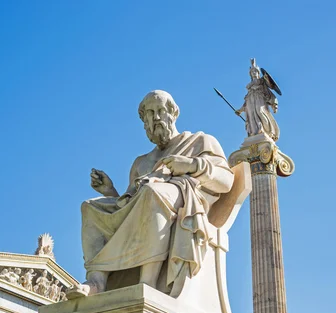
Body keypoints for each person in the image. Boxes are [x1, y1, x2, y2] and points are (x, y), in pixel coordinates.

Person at [71, 90, 233, 297]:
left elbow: (226, 180)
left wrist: (191, 164)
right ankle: (97, 281)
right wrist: (109, 191)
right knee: (90, 206)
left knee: (151, 192)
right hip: (149, 199)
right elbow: (128, 207)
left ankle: (147, 282)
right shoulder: (141, 162)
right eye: (149, 114)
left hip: (181, 201)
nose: (155, 118)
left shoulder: (199, 142)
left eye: (160, 110)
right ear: (144, 122)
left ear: (173, 113)